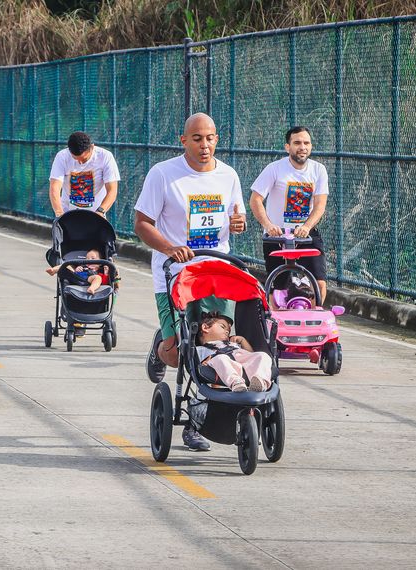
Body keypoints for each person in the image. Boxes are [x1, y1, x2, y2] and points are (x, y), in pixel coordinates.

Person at [133, 112, 247, 451]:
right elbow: (141, 223)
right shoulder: (164, 175)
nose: (205, 145)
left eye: (210, 138)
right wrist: (170, 247)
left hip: (217, 273)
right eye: (197, 138)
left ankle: (196, 424)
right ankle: (161, 347)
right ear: (184, 141)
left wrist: (239, 222)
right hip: (174, 274)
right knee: (178, 354)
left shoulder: (228, 175)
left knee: (217, 347)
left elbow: (235, 215)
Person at [249, 126, 330, 303]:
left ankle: (313, 321)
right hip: (278, 235)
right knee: (277, 285)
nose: (302, 147)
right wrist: (269, 226)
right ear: (288, 147)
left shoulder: (318, 170)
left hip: (306, 234)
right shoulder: (274, 169)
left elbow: (320, 204)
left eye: (306, 143)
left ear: (311, 146)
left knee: (319, 282)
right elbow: (255, 200)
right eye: (297, 143)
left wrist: (307, 226)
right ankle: (277, 325)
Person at [49, 131, 120, 217]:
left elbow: (112, 190)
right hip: (67, 214)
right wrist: (59, 213)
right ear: (69, 151)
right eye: (76, 159)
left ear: (92, 147)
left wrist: (101, 211)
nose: (80, 163)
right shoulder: (62, 157)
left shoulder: (105, 157)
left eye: (84, 159)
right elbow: (55, 187)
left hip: (95, 214)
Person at [196, 312, 272, 392]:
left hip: (244, 364)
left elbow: (251, 354)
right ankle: (236, 383)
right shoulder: (201, 349)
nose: (227, 332)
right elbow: (201, 364)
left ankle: (260, 380)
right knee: (220, 358)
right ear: (205, 327)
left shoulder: (232, 344)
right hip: (227, 368)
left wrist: (243, 340)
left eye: (228, 331)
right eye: (222, 327)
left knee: (262, 355)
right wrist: (204, 363)